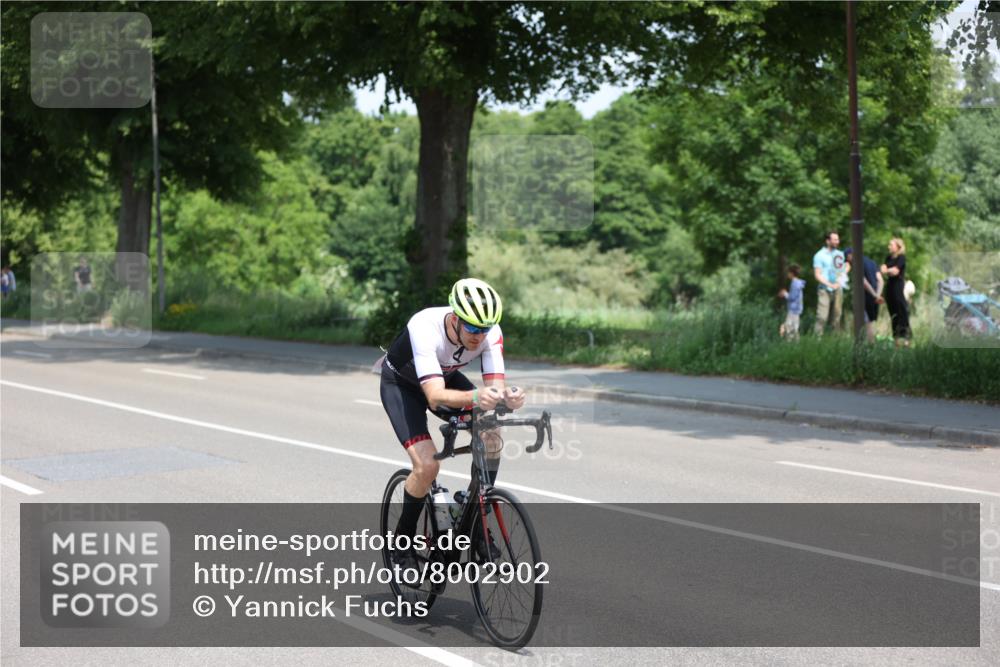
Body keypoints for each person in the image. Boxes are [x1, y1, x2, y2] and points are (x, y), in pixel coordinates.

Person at [378, 278, 525, 571]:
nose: (478, 336)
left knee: (492, 434)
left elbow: (493, 390)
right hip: (403, 386)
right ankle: (403, 543)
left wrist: (508, 397)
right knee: (428, 465)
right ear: (456, 318)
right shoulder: (424, 326)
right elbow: (433, 397)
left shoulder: (490, 333)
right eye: (471, 328)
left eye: (484, 330)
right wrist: (475, 396)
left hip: (444, 377)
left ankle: (475, 520)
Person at [843, 247, 884, 344]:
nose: (848, 262)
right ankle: (871, 345)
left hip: (866, 296)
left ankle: (867, 346)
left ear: (850, 255)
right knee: (871, 322)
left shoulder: (857, 264)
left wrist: (874, 295)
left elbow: (863, 282)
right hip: (875, 297)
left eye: (847, 259)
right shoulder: (872, 262)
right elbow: (880, 280)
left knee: (867, 323)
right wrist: (878, 295)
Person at [813, 231, 849, 335]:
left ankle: (835, 341)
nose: (837, 242)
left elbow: (847, 266)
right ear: (828, 241)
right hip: (824, 289)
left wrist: (841, 278)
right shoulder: (819, 255)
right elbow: (817, 274)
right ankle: (817, 340)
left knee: (837, 316)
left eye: (838, 239)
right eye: (835, 240)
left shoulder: (840, 254)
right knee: (822, 316)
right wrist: (830, 284)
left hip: (838, 288)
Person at [880, 237, 911, 347]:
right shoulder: (888, 257)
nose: (889, 247)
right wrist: (888, 270)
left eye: (891, 245)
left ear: (898, 247)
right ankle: (896, 339)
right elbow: (883, 268)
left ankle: (906, 338)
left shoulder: (901, 258)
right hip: (890, 287)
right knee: (893, 313)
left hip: (898, 286)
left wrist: (887, 270)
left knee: (902, 310)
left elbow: (895, 271)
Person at [778, 264, 805, 340]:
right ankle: (795, 344)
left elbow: (792, 297)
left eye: (788, 273)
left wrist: (785, 294)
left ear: (792, 273)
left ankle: (790, 344)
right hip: (796, 309)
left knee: (789, 327)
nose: (787, 274)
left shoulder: (795, 283)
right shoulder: (797, 283)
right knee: (794, 327)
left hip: (793, 309)